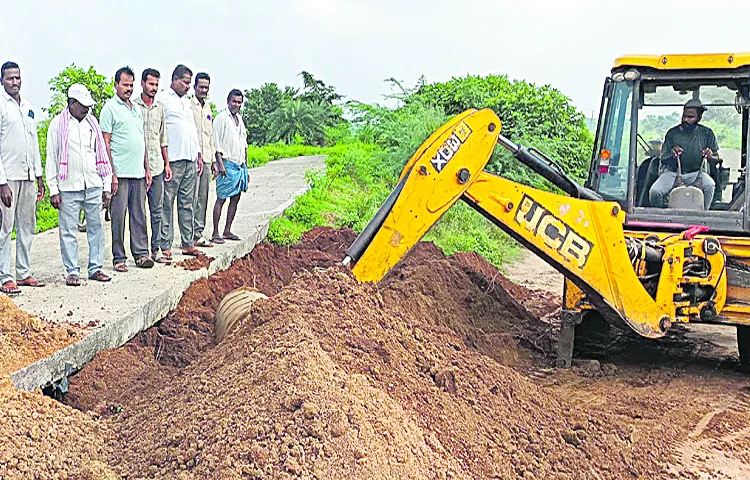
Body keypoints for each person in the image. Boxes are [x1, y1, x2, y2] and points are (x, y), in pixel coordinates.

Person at [46, 84, 112, 286]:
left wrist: (106, 184)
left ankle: (95, 268)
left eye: (88, 106)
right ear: (71, 103)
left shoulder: (92, 123)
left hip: (93, 183)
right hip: (68, 186)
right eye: (83, 105)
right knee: (68, 231)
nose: (87, 109)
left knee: (97, 228)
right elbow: (52, 158)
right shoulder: (57, 125)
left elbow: (101, 155)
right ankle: (72, 271)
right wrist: (53, 189)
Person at [100, 67, 153, 271]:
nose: (128, 89)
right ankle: (119, 258)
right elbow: (106, 143)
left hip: (138, 173)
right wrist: (111, 174)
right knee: (119, 217)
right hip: (120, 174)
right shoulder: (109, 109)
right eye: (125, 85)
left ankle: (141, 254)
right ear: (116, 85)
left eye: (131, 85)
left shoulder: (136, 109)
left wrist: (147, 168)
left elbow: (142, 141)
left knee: (139, 215)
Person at [0, 62, 45, 295]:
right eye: (10, 79)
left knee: (27, 225)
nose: (15, 82)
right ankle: (4, 276)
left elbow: (33, 142)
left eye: (17, 78)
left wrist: (39, 176)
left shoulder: (27, 107)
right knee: (5, 228)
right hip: (8, 179)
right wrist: (1, 182)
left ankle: (23, 273)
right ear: (2, 81)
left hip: (28, 176)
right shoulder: (1, 106)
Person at [156, 65, 203, 259]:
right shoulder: (162, 99)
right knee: (166, 203)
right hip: (173, 160)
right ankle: (165, 244)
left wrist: (198, 153)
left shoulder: (187, 102)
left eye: (189, 83)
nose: (188, 86)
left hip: (190, 159)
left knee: (188, 203)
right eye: (185, 82)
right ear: (174, 79)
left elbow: (192, 128)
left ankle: (187, 243)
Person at [649, 99, 719, 210]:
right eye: (684, 116)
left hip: (696, 174)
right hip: (672, 174)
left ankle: (703, 215)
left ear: (699, 118)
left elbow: (716, 158)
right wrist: (673, 154)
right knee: (655, 192)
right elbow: (664, 158)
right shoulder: (672, 133)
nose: (685, 119)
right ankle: (660, 217)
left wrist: (710, 156)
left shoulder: (707, 133)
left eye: (690, 117)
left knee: (710, 185)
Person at [135, 68, 171, 263]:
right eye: (151, 84)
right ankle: (142, 252)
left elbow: (162, 138)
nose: (154, 88)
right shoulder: (133, 107)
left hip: (157, 166)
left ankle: (155, 249)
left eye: (157, 85)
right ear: (142, 83)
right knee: (139, 212)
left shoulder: (160, 108)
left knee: (157, 210)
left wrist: (167, 164)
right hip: (138, 169)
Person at [211, 89, 248, 244]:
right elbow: (216, 143)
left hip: (239, 165)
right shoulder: (221, 118)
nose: (236, 105)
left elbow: (244, 143)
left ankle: (227, 230)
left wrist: (246, 167)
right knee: (221, 199)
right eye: (234, 101)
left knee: (235, 198)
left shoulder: (240, 119)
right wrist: (220, 165)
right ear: (228, 101)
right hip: (226, 163)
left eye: (239, 102)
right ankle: (215, 232)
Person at [191, 72, 215, 248]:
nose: (204, 90)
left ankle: (198, 233)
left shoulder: (208, 108)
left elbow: (210, 136)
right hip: (192, 157)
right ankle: (189, 234)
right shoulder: (188, 105)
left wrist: (213, 160)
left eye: (206, 87)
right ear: (194, 87)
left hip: (206, 158)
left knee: (203, 197)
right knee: (190, 198)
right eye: (201, 87)